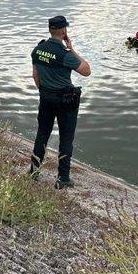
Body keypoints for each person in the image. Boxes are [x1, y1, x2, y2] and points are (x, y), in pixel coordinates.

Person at [30, 15, 91, 189]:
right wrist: (72, 49)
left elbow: (35, 75)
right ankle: (63, 178)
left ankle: (34, 172)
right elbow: (86, 71)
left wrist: (45, 92)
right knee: (66, 138)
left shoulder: (38, 50)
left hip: (46, 97)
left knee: (42, 134)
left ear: (50, 30)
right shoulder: (65, 54)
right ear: (64, 31)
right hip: (65, 100)